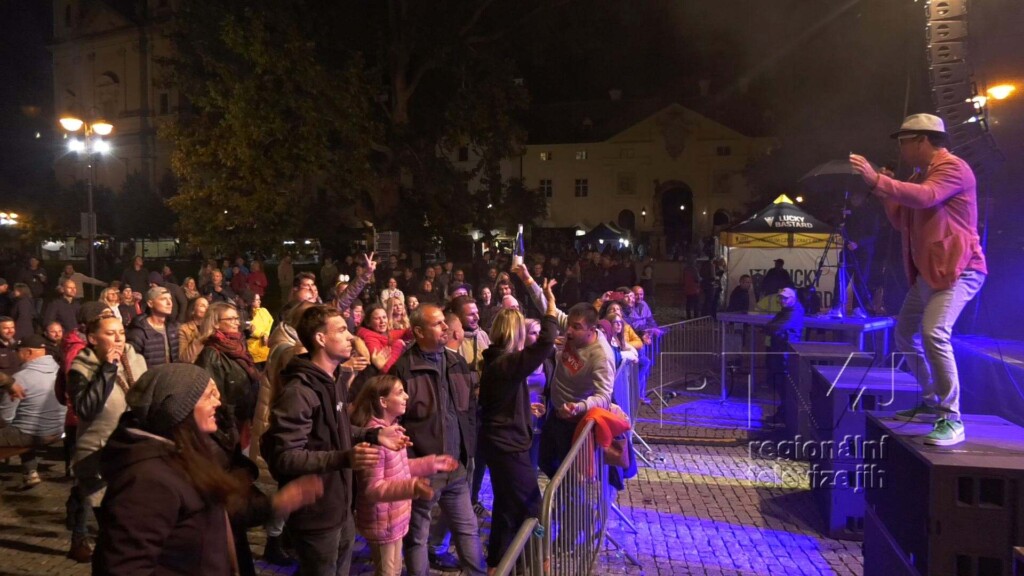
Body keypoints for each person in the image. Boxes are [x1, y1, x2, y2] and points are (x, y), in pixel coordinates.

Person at [92, 363, 323, 575]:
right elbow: (123, 568)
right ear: (180, 407)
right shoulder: (147, 480)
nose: (218, 402)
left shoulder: (188, 453)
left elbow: (221, 509)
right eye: (208, 395)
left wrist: (275, 504)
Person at [850, 113, 987, 446]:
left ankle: (951, 418)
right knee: (905, 335)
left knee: (933, 333)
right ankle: (931, 399)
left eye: (904, 141)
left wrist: (877, 181)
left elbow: (925, 197)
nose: (900, 149)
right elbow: (902, 222)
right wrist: (886, 193)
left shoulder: (953, 167)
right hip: (931, 272)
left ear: (922, 140)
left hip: (959, 270)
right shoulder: (919, 175)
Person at [262, 305, 400, 576]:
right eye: (341, 330)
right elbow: (285, 457)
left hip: (341, 506)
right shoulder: (300, 392)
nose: (351, 337)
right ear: (321, 339)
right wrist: (344, 457)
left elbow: (338, 429)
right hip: (316, 514)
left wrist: (374, 434)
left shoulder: (333, 380)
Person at [388, 304, 486, 576]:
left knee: (468, 530)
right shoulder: (404, 369)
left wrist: (467, 451)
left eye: (445, 322)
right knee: (417, 537)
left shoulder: (456, 362)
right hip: (423, 471)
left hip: (456, 468)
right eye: (437, 324)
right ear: (419, 332)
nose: (446, 328)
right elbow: (394, 423)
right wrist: (411, 465)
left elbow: (467, 410)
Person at [479, 282, 557, 572]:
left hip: (504, 443)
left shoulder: (499, 362)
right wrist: (550, 306)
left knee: (505, 509)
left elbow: (503, 401)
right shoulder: (505, 363)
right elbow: (546, 343)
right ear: (516, 334)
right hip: (507, 447)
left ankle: (497, 565)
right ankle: (535, 564)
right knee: (531, 506)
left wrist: (525, 409)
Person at [351, 375, 459, 576]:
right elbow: (372, 490)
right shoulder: (376, 439)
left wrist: (432, 463)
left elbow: (399, 468)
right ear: (383, 402)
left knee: (393, 570)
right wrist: (411, 487)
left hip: (394, 518)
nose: (407, 396)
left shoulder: (391, 430)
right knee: (387, 572)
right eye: (400, 392)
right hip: (382, 521)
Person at [516, 264, 614, 477]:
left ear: (592, 330)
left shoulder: (601, 356)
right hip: (556, 411)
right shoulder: (572, 330)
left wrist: (579, 407)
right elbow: (547, 308)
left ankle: (570, 497)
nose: (568, 331)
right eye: (569, 324)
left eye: (576, 327)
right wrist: (527, 279)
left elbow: (604, 396)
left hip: (576, 421)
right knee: (545, 461)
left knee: (571, 474)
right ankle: (562, 494)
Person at [67, 314, 148, 561]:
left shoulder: (136, 360)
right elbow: (86, 409)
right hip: (98, 448)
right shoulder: (82, 368)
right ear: (93, 339)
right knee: (108, 517)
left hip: (130, 447)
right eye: (110, 334)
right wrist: (108, 369)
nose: (118, 339)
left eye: (121, 333)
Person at [0, 335, 65, 488]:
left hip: (34, 434)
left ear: (28, 352)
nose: (16, 355)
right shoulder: (59, 371)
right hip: (59, 429)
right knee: (25, 422)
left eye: (18, 351)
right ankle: (30, 472)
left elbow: (5, 417)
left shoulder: (20, 378)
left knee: (17, 428)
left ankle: (30, 472)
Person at [194, 301, 260, 447]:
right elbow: (210, 395)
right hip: (229, 424)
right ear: (216, 324)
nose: (236, 323)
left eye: (237, 318)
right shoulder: (211, 354)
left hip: (245, 419)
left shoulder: (238, 347)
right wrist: (229, 424)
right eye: (231, 319)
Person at [126, 286, 180, 367]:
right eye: (163, 299)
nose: (169, 303)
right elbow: (131, 364)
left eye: (170, 299)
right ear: (150, 304)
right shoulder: (139, 332)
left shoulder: (173, 328)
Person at [245, 291, 273, 368]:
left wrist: (266, 334)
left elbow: (270, 321)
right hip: (253, 349)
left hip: (265, 347)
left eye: (259, 299)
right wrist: (262, 334)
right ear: (251, 301)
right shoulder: (246, 314)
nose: (259, 301)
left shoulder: (263, 311)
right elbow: (251, 329)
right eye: (257, 300)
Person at [179, 296, 209, 363]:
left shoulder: (214, 327)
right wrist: (202, 337)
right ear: (193, 310)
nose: (207, 309)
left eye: (207, 306)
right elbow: (184, 358)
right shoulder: (184, 329)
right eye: (202, 306)